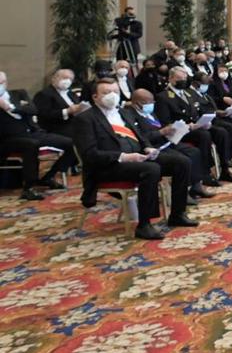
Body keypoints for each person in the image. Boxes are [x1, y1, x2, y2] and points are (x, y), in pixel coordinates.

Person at [72, 79, 197, 240]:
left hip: (137, 157)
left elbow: (141, 136)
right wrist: (124, 157)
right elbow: (90, 155)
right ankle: (144, 224)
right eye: (106, 92)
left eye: (115, 92)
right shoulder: (85, 119)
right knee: (151, 169)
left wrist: (147, 147)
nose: (112, 96)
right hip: (108, 166)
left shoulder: (124, 112)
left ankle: (178, 214)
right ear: (95, 96)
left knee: (182, 162)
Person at [0, 71, 77, 200]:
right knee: (31, 145)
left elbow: (33, 110)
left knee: (72, 143)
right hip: (9, 138)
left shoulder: (18, 93)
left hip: (33, 132)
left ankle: (49, 176)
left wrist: (10, 108)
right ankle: (29, 188)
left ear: (6, 83)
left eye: (2, 82)